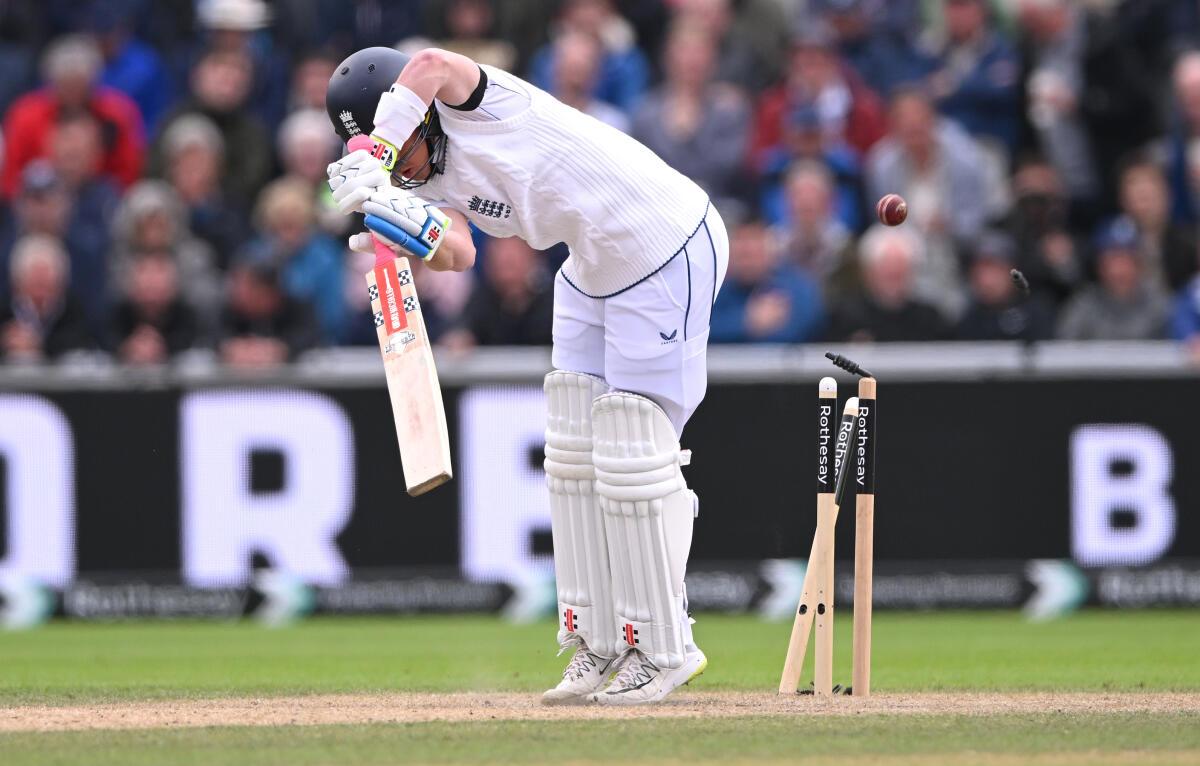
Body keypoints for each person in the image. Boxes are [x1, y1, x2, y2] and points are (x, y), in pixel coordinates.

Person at [324, 45, 728, 705]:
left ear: (413, 119)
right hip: (591, 267)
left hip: (665, 242)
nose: (407, 167)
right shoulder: (418, 174)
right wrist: (398, 216)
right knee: (572, 448)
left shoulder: (476, 102)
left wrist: (379, 152)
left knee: (635, 449)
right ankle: (599, 642)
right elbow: (458, 252)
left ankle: (665, 646)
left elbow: (430, 61)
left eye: (402, 149)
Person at [827, 225, 951, 342]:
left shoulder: (931, 321)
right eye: (887, 271)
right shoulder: (845, 319)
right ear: (869, 272)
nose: (893, 275)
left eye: (900, 273)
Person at [710, 216, 824, 343]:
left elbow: (806, 326)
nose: (748, 263)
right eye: (743, 254)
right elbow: (701, 330)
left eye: (755, 254)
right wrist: (746, 321)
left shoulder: (796, 287)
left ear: (770, 253)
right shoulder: (716, 290)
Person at [1056, 219, 1171, 341]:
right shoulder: (1084, 305)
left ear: (1140, 265)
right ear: (1099, 266)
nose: (1119, 270)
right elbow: (1064, 345)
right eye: (1111, 261)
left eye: (1127, 260)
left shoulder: (1159, 304)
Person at [1, 234, 96, 361]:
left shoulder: (74, 309)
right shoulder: (4, 309)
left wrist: (37, 343)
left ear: (61, 283)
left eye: (47, 283)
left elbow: (83, 342)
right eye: (35, 282)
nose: (41, 291)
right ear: (18, 283)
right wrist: (6, 341)